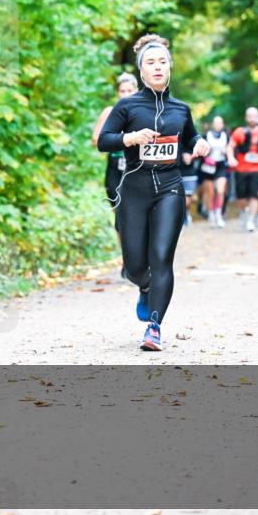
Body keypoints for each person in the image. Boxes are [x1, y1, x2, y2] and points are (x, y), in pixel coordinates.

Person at [97, 34, 210, 351]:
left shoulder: (181, 108)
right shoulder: (127, 106)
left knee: (161, 258)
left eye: (162, 62)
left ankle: (154, 328)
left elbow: (191, 136)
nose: (157, 67)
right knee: (134, 266)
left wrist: (199, 143)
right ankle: (145, 287)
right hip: (134, 190)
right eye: (151, 62)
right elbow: (104, 140)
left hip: (170, 189)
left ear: (169, 67)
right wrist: (130, 138)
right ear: (142, 71)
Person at [93, 73, 139, 269]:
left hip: (136, 169)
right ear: (117, 93)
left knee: (136, 216)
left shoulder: (142, 111)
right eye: (122, 91)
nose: (126, 94)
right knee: (120, 217)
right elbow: (96, 140)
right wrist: (121, 139)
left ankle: (138, 257)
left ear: (136, 91)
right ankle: (127, 260)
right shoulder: (110, 112)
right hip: (115, 170)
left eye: (130, 90)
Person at [228, 107, 258, 232]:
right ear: (246, 118)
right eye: (249, 116)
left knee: (254, 195)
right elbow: (230, 146)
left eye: (254, 116)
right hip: (241, 169)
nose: (252, 119)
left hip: (257, 169)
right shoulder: (239, 132)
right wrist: (231, 158)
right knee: (241, 196)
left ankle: (250, 220)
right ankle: (244, 212)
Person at [198, 116, 229, 228]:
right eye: (216, 123)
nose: (217, 125)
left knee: (220, 191)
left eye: (220, 123)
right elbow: (199, 152)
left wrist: (227, 152)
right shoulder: (206, 136)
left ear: (222, 125)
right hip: (208, 166)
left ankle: (218, 214)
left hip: (220, 165)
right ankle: (211, 213)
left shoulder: (226, 136)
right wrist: (207, 151)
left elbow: (231, 150)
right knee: (210, 192)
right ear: (212, 124)